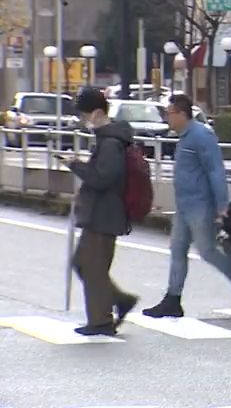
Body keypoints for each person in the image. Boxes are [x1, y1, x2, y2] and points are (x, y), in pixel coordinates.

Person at [143, 94, 231, 318]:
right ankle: (173, 298)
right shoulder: (185, 137)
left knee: (207, 251)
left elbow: (215, 170)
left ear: (181, 114)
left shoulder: (202, 135)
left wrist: (221, 205)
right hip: (184, 205)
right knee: (177, 249)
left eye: (170, 114)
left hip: (201, 205)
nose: (167, 119)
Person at [62, 88, 139, 336]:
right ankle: (117, 301)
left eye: (85, 115)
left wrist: (75, 165)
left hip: (105, 214)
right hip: (100, 212)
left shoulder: (111, 142)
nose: (84, 121)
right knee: (84, 263)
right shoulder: (109, 139)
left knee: (91, 266)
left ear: (96, 113)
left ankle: (101, 320)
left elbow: (103, 178)